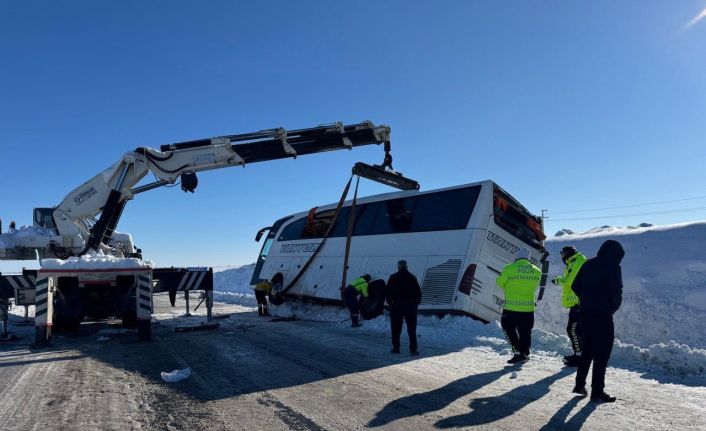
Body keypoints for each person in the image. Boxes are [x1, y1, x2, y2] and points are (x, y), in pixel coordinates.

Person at [570, 239, 624, 403]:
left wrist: (586, 299)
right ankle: (597, 391)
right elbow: (616, 292)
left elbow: (575, 286)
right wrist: (611, 307)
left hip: (585, 314)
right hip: (602, 316)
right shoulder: (613, 267)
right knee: (602, 354)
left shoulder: (588, 264)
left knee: (588, 349)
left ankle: (579, 384)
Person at [496, 248, 542, 364]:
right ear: (528, 258)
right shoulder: (537, 271)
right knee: (525, 331)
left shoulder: (509, 268)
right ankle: (525, 353)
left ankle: (517, 353)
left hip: (511, 307)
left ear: (517, 257)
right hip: (528, 308)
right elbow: (535, 286)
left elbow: (499, 282)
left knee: (508, 328)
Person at [552, 246, 587, 367]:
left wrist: (558, 280)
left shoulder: (577, 262)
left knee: (572, 329)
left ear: (568, 253)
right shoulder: (574, 261)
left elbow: (569, 281)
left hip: (579, 302)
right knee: (577, 329)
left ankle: (579, 356)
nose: (562, 256)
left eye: (563, 253)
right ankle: (580, 355)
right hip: (578, 301)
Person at [386, 260, 422, 355]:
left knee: (396, 328)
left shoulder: (393, 277)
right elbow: (418, 293)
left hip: (396, 307)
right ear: (406, 267)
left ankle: (396, 347)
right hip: (410, 307)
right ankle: (413, 349)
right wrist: (415, 304)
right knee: (412, 329)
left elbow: (388, 292)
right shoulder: (412, 277)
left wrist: (391, 303)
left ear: (398, 267)